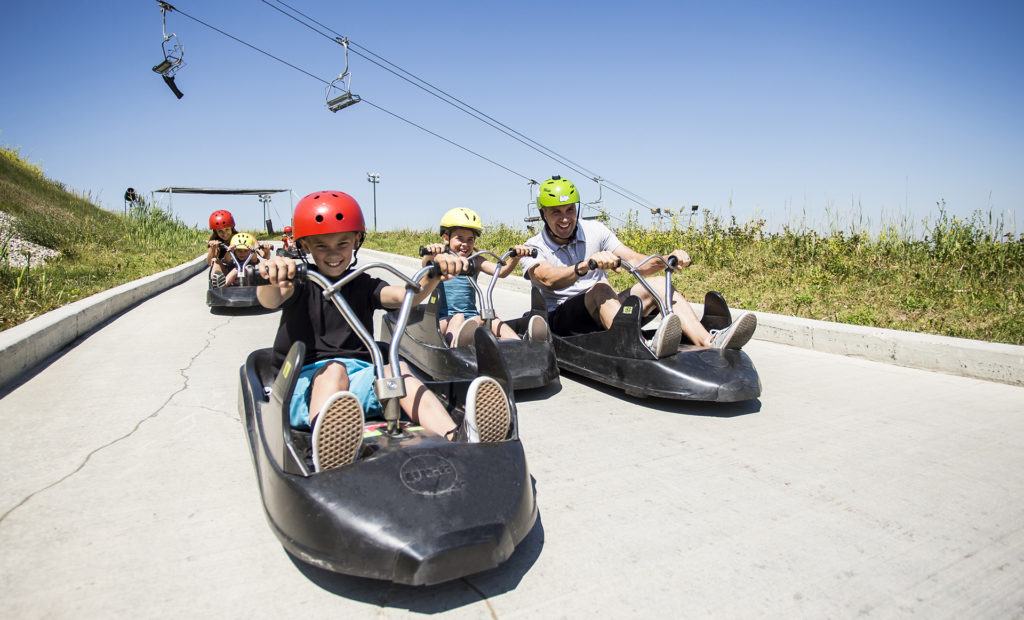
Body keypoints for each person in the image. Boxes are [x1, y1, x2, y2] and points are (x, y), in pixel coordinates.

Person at [258, 190, 512, 472]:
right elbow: (270, 298)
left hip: (361, 379)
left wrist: (434, 274)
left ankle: (459, 436)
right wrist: (274, 275)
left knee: (397, 371)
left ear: (357, 241)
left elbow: (407, 296)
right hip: (303, 385)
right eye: (321, 246)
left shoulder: (362, 283)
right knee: (333, 372)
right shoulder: (300, 282)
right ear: (305, 246)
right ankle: (328, 451)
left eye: (342, 243)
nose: (333, 254)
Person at [519, 175, 757, 357]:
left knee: (657, 284)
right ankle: (642, 347)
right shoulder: (534, 245)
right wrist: (585, 265)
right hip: (563, 320)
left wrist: (667, 259)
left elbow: (635, 261)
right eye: (556, 212)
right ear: (543, 215)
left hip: (604, 309)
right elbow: (547, 277)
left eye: (570, 210)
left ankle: (710, 342)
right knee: (600, 289)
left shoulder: (595, 230)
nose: (565, 218)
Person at [421, 207, 548, 347]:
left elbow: (501, 272)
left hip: (471, 317)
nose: (465, 244)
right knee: (456, 319)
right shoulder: (441, 259)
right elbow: (426, 262)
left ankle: (523, 345)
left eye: (470, 239)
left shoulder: (475, 260)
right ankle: (457, 346)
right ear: (446, 237)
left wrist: (515, 257)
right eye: (460, 238)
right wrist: (432, 252)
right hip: (445, 317)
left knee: (490, 318)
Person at [206, 210, 238, 287]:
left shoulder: (238, 238)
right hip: (225, 270)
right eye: (220, 231)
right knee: (215, 261)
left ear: (232, 228)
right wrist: (212, 248)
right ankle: (217, 285)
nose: (224, 234)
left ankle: (224, 285)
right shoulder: (215, 241)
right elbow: (210, 262)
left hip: (239, 269)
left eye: (227, 229)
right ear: (216, 232)